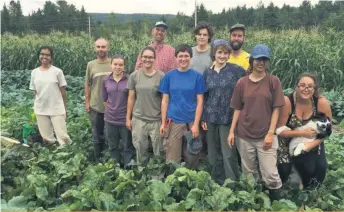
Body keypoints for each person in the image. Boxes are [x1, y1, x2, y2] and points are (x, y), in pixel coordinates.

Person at [228, 44, 284, 201]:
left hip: (266, 135)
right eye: (258, 59)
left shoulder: (273, 81)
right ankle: (254, 200)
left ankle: (276, 203)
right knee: (249, 173)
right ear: (252, 60)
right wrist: (232, 131)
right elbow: (237, 109)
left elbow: (276, 109)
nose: (261, 63)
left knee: (270, 174)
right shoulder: (242, 83)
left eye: (264, 60)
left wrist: (270, 133)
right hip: (244, 134)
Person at [276, 73, 332, 189]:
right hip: (287, 141)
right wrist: (302, 133)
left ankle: (309, 191)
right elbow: (279, 130)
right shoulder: (288, 101)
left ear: (314, 88)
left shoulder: (321, 102)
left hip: (312, 140)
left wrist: (311, 144)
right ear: (296, 86)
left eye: (310, 86)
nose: (306, 89)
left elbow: (327, 130)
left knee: (319, 171)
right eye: (302, 85)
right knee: (284, 172)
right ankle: (290, 180)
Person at [202, 40, 246, 184]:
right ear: (214, 54)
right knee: (213, 153)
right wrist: (203, 117)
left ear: (229, 55)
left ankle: (232, 183)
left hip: (228, 118)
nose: (222, 55)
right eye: (219, 52)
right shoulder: (207, 73)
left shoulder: (236, 70)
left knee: (228, 153)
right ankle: (216, 182)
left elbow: (247, 87)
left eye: (225, 52)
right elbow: (205, 96)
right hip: (211, 118)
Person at [158, 44, 206, 167]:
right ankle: (173, 183)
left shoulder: (197, 77)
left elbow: (200, 101)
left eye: (186, 56)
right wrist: (163, 122)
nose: (183, 59)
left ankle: (190, 181)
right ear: (176, 58)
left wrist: (196, 124)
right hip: (174, 121)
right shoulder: (168, 76)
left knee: (192, 156)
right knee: (172, 159)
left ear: (190, 57)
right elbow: (165, 100)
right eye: (180, 56)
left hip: (191, 122)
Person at [127, 46, 165, 164]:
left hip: (156, 120)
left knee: (159, 151)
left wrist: (164, 122)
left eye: (150, 57)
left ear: (154, 59)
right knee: (140, 149)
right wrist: (128, 118)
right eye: (145, 57)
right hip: (139, 119)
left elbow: (165, 100)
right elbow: (131, 98)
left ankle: (158, 176)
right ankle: (142, 173)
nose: (147, 60)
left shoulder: (162, 76)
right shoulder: (134, 76)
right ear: (141, 58)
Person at [29, 46, 71, 145]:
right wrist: (37, 105)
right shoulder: (34, 72)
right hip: (41, 109)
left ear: (51, 57)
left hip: (56, 108)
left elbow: (63, 92)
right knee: (47, 138)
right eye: (42, 54)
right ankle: (53, 154)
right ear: (39, 56)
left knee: (63, 136)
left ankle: (68, 153)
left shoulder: (57, 72)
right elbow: (35, 92)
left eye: (47, 55)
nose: (44, 57)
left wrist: (64, 108)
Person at [101, 55, 135, 167]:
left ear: (124, 66)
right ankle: (116, 167)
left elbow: (132, 98)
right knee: (113, 146)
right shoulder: (105, 80)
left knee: (127, 146)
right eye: (115, 64)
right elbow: (105, 100)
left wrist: (128, 117)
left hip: (125, 119)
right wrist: (112, 109)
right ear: (111, 65)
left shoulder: (130, 79)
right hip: (110, 119)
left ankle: (128, 167)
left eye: (120, 65)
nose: (118, 67)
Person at [85, 38, 112, 162]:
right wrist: (87, 102)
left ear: (108, 48)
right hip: (96, 105)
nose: (101, 49)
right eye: (98, 47)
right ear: (95, 48)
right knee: (96, 134)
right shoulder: (91, 65)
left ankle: (109, 159)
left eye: (103, 47)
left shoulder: (114, 63)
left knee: (110, 135)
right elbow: (88, 84)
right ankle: (98, 159)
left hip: (112, 106)